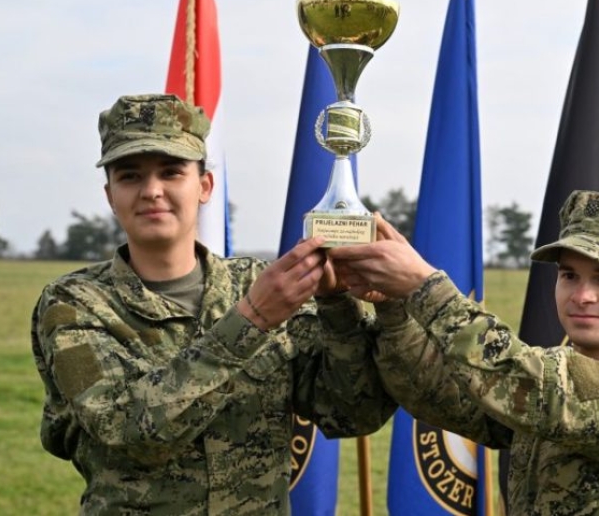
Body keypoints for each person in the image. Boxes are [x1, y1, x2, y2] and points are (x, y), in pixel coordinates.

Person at [30, 93, 396, 515]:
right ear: (111, 195)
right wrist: (252, 321)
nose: (152, 191)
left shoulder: (254, 283)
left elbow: (352, 412)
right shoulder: (75, 304)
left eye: (171, 173)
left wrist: (337, 307)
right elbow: (128, 433)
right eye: (130, 177)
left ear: (204, 186)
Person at [328, 190, 599, 515]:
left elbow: (544, 393)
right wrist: (393, 305)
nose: (582, 296)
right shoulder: (545, 381)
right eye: (569, 275)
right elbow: (437, 392)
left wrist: (425, 287)